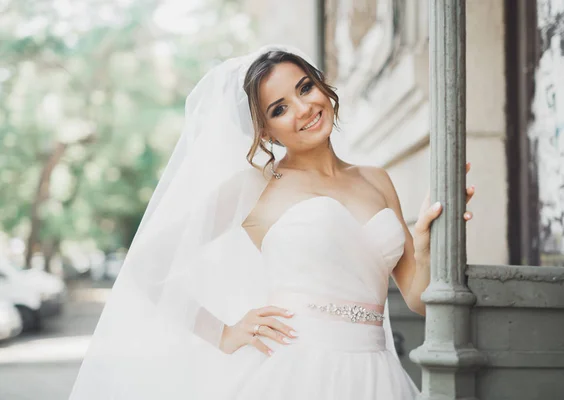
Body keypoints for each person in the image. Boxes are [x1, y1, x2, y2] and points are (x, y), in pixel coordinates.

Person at [69, 44, 474, 400]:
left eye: (305, 88)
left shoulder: (376, 178)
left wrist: (423, 245)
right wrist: (224, 334)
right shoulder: (255, 186)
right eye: (279, 109)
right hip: (298, 373)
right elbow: (146, 264)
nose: (303, 109)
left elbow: (419, 301)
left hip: (378, 375)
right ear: (265, 129)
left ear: (322, 86)